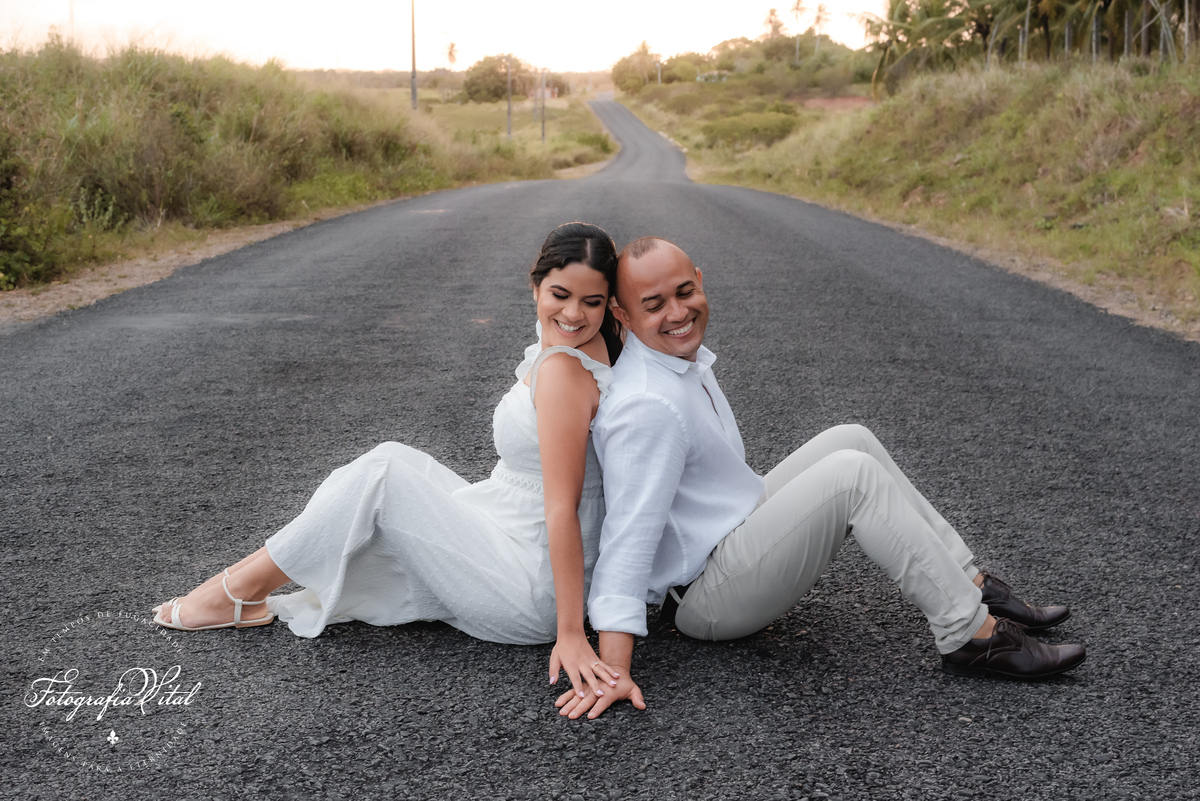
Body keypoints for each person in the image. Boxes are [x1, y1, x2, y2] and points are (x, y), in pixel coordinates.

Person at [556, 236, 1086, 721]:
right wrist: (615, 668)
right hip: (705, 596)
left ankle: (971, 584)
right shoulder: (646, 404)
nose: (677, 313)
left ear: (700, 277)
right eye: (654, 305)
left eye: (684, 291)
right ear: (623, 313)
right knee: (851, 476)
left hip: (732, 531)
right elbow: (626, 541)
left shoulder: (675, 359)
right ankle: (971, 635)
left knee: (850, 438)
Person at [154, 222, 626, 702]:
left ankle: (233, 593)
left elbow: (562, 508)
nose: (572, 313)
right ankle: (240, 590)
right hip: (511, 529)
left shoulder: (565, 370)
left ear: (609, 303)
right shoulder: (576, 345)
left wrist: (570, 632)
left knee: (382, 476)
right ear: (535, 285)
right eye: (560, 294)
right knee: (392, 459)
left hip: (530, 582)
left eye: (591, 302)